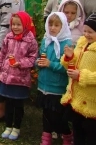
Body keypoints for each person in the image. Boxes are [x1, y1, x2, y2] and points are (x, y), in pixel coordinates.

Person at [0, 12, 37, 140]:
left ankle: (16, 127)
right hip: (7, 78)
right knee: (9, 103)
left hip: (20, 79)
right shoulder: (8, 38)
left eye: (19, 24)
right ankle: (8, 126)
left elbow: (32, 58)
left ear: (26, 25)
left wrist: (21, 63)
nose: (16, 27)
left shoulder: (31, 41)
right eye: (13, 24)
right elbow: (2, 55)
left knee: (18, 105)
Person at [36, 12, 72, 145]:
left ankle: (67, 135)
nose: (52, 28)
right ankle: (46, 137)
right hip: (43, 84)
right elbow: (39, 57)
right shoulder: (46, 41)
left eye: (57, 25)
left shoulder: (66, 44)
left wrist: (50, 65)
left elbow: (66, 68)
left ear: (63, 27)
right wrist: (38, 63)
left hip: (57, 86)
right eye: (50, 24)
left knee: (57, 115)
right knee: (46, 114)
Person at [61, 12, 96, 145]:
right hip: (77, 100)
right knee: (78, 132)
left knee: (91, 135)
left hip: (92, 105)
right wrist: (69, 57)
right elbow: (72, 63)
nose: (86, 34)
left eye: (91, 32)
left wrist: (81, 76)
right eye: (85, 31)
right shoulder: (82, 44)